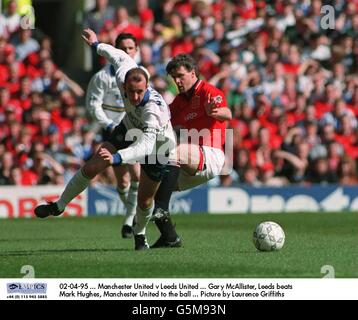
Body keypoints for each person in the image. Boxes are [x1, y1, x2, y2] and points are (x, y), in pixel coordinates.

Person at [34, 28, 177, 251]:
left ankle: (140, 235)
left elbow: (146, 145)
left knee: (145, 200)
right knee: (92, 166)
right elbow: (116, 54)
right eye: (131, 91)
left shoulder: (153, 110)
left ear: (146, 86)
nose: (135, 97)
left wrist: (118, 157)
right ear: (123, 85)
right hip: (128, 126)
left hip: (159, 145)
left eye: (140, 91)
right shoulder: (123, 72)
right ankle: (59, 206)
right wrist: (95, 44)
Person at [151, 53, 232, 248]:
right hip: (190, 161)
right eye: (173, 77)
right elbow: (163, 121)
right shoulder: (179, 102)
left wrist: (215, 111)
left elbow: (227, 113)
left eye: (180, 75)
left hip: (211, 156)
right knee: (152, 185)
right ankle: (170, 237)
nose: (177, 81)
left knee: (173, 151)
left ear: (193, 73)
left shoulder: (208, 91)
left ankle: (161, 208)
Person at [86, 33, 141, 239]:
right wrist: (108, 124)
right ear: (115, 51)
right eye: (123, 49)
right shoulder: (102, 77)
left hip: (133, 130)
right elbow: (93, 105)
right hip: (112, 131)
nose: (127, 52)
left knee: (137, 175)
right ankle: (131, 214)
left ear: (136, 50)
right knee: (123, 182)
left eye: (130, 48)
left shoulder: (140, 74)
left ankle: (129, 221)